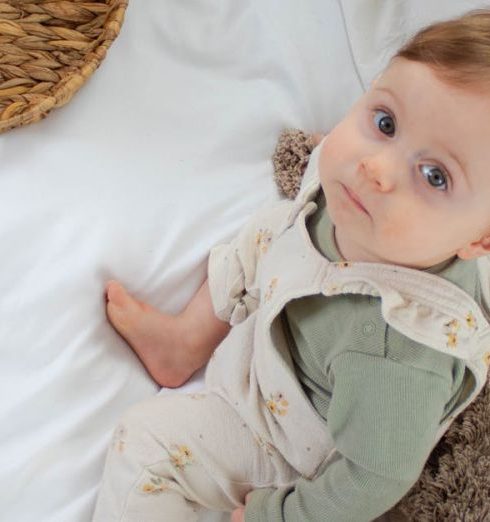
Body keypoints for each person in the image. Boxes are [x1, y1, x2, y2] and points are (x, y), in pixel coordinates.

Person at [93, 10, 490, 522]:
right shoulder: (360, 197)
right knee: (272, 228)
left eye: (435, 176)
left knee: (146, 445)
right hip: (299, 301)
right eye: (386, 123)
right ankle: (187, 339)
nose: (377, 169)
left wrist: (280, 515)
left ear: (479, 239)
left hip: (288, 439)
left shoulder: (396, 356)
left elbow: (375, 477)